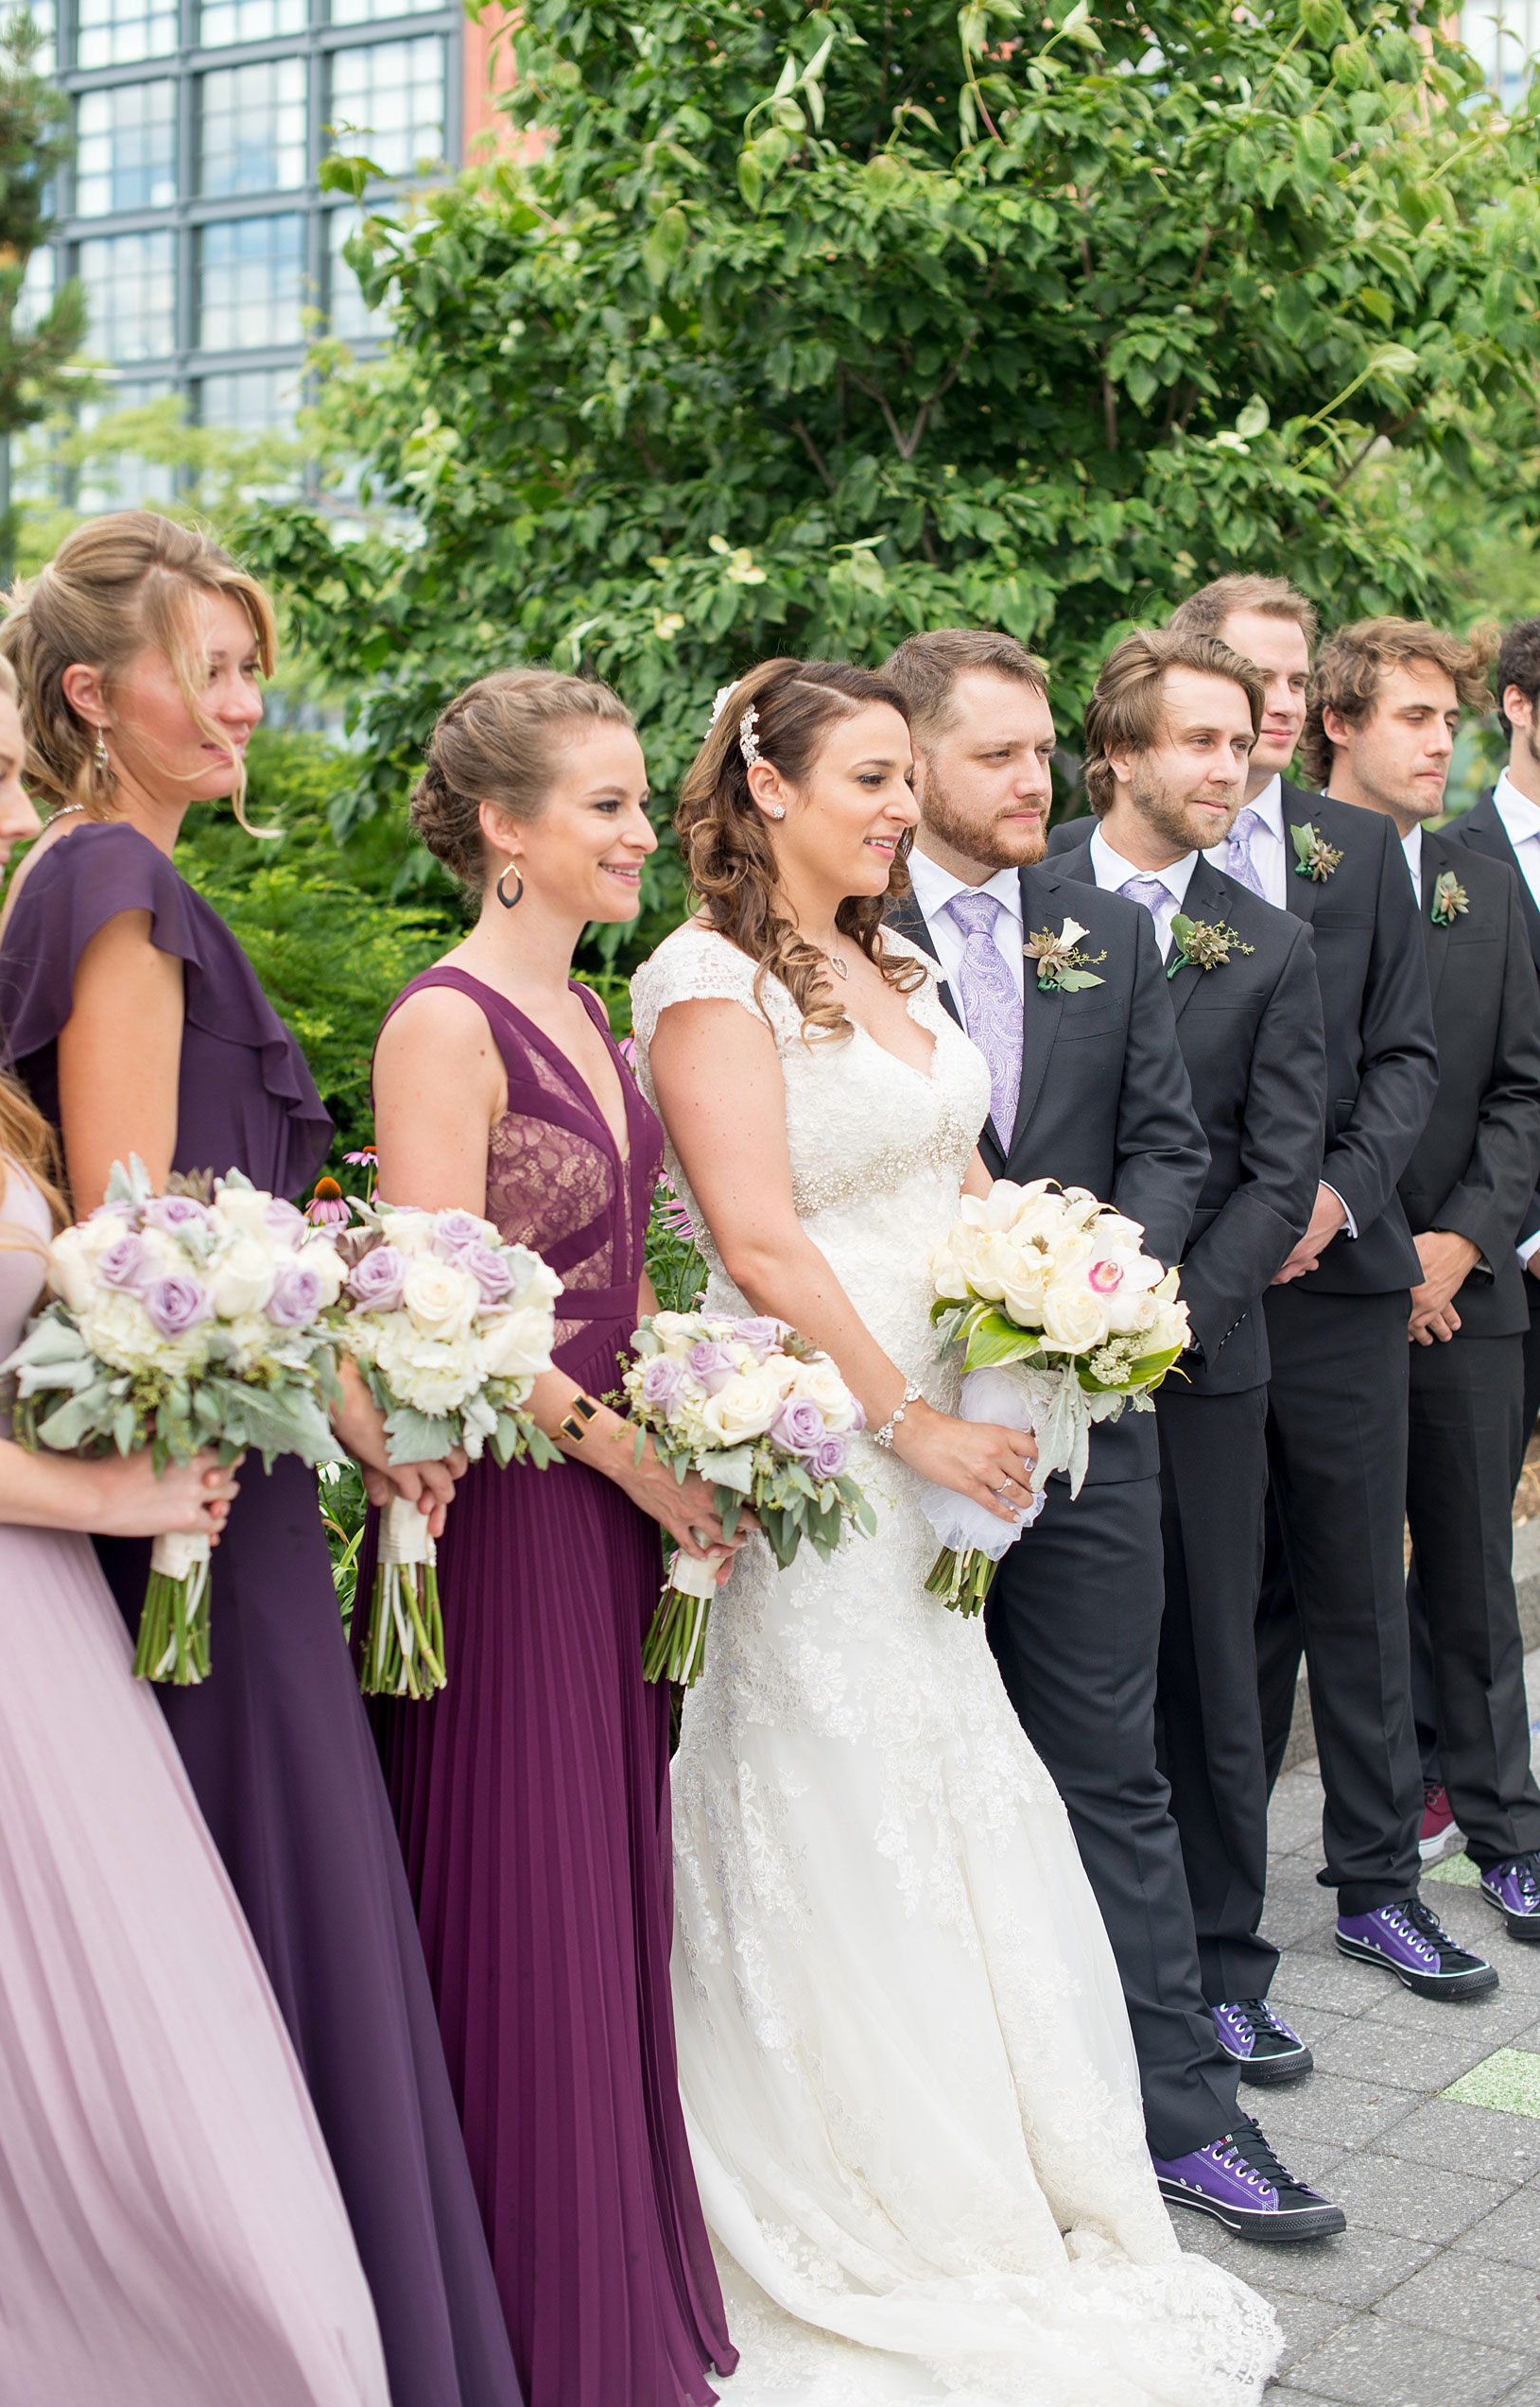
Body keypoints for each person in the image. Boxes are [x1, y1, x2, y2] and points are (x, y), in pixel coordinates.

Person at [634, 651, 1284, 2403]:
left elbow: (963, 1173)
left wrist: (1054, 1303)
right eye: (867, 780)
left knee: (953, 1772)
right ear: (766, 788)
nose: (899, 809)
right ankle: (839, 2178)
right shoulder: (705, 978)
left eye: (900, 783)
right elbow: (760, 1239)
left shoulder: (892, 959)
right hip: (826, 1438)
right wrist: (904, 1412)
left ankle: (999, 2164)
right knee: (834, 1780)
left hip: (967, 1436)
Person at [0, 512, 521, 2407]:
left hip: (239, 1453)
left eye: (248, 664)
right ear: (91, 695)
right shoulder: (113, 878)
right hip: (207, 1484)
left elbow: (213, 1220)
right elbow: (143, 1237)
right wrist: (359, 1410)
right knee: (278, 1858)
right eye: (206, 667)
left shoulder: (104, 871)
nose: (243, 700)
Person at [0, 611, 390, 2407]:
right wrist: (93, 1482)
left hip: (43, 1626)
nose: (9, 819)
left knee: (172, 2127)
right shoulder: (102, 885)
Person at [881, 629, 1337, 2236]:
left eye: (1037, 751)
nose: (1034, 780)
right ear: (915, 761)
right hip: (890, 1441)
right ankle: (950, 2125)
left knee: (1112, 1770)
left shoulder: (1103, 929)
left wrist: (1069, 1316)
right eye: (996, 755)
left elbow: (1166, 1144)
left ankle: (1180, 2115)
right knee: (908, 1775)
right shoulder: (832, 936)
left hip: (1082, 1426)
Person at [366, 669, 736, 2407]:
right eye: (604, 803)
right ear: (504, 827)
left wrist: (702, 1429)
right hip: (505, 1518)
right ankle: (525, 2321)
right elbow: (451, 1322)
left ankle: (609, 2279)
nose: (640, 831)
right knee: (525, 1902)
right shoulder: (445, 1023)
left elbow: (614, 1281)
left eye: (641, 799)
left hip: (610, 1517)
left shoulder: (591, 1012)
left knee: (609, 1904)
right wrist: (637, 1465)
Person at [1168, 580, 1477, 2004]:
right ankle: (1206, 1916)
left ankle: (1377, 1884)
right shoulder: (1108, 867)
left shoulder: (1360, 851)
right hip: (1187, 1292)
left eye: (1294, 682)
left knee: (1359, 1586)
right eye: (1253, 678)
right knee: (1220, 1609)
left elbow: (1406, 1056)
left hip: (1341, 1278)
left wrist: (1335, 1201)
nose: (1281, 704)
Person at [1049, 628, 1328, 2086]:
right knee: (1051, 1677)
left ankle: (1225, 1966)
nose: (1239, 762)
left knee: (1215, 1674)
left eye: (1244, 739)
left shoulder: (1268, 941)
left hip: (1195, 1361)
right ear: (1121, 757)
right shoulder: (1018, 897)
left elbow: (1277, 1176)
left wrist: (1147, 1324)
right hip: (1004, 1356)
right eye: (1205, 741)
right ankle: (1072, 1958)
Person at [1307, 618, 1540, 1945]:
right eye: (1412, 716)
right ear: (1340, 722)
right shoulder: (1280, 875)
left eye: (1452, 718)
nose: (1441, 740)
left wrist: (1460, 1241)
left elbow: (1521, 1083)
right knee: (1332, 1578)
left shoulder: (1477, 879)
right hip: (1329, 1282)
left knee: (1472, 1565)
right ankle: (1375, 1833)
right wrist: (1389, 1253)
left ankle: (1509, 1835)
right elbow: (1297, 1096)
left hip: (1471, 1277)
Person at [1441, 615, 1540, 1461]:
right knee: (1469, 1554)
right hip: (1505, 1258)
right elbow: (1464, 1074)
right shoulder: (1447, 861)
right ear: (1518, 704)